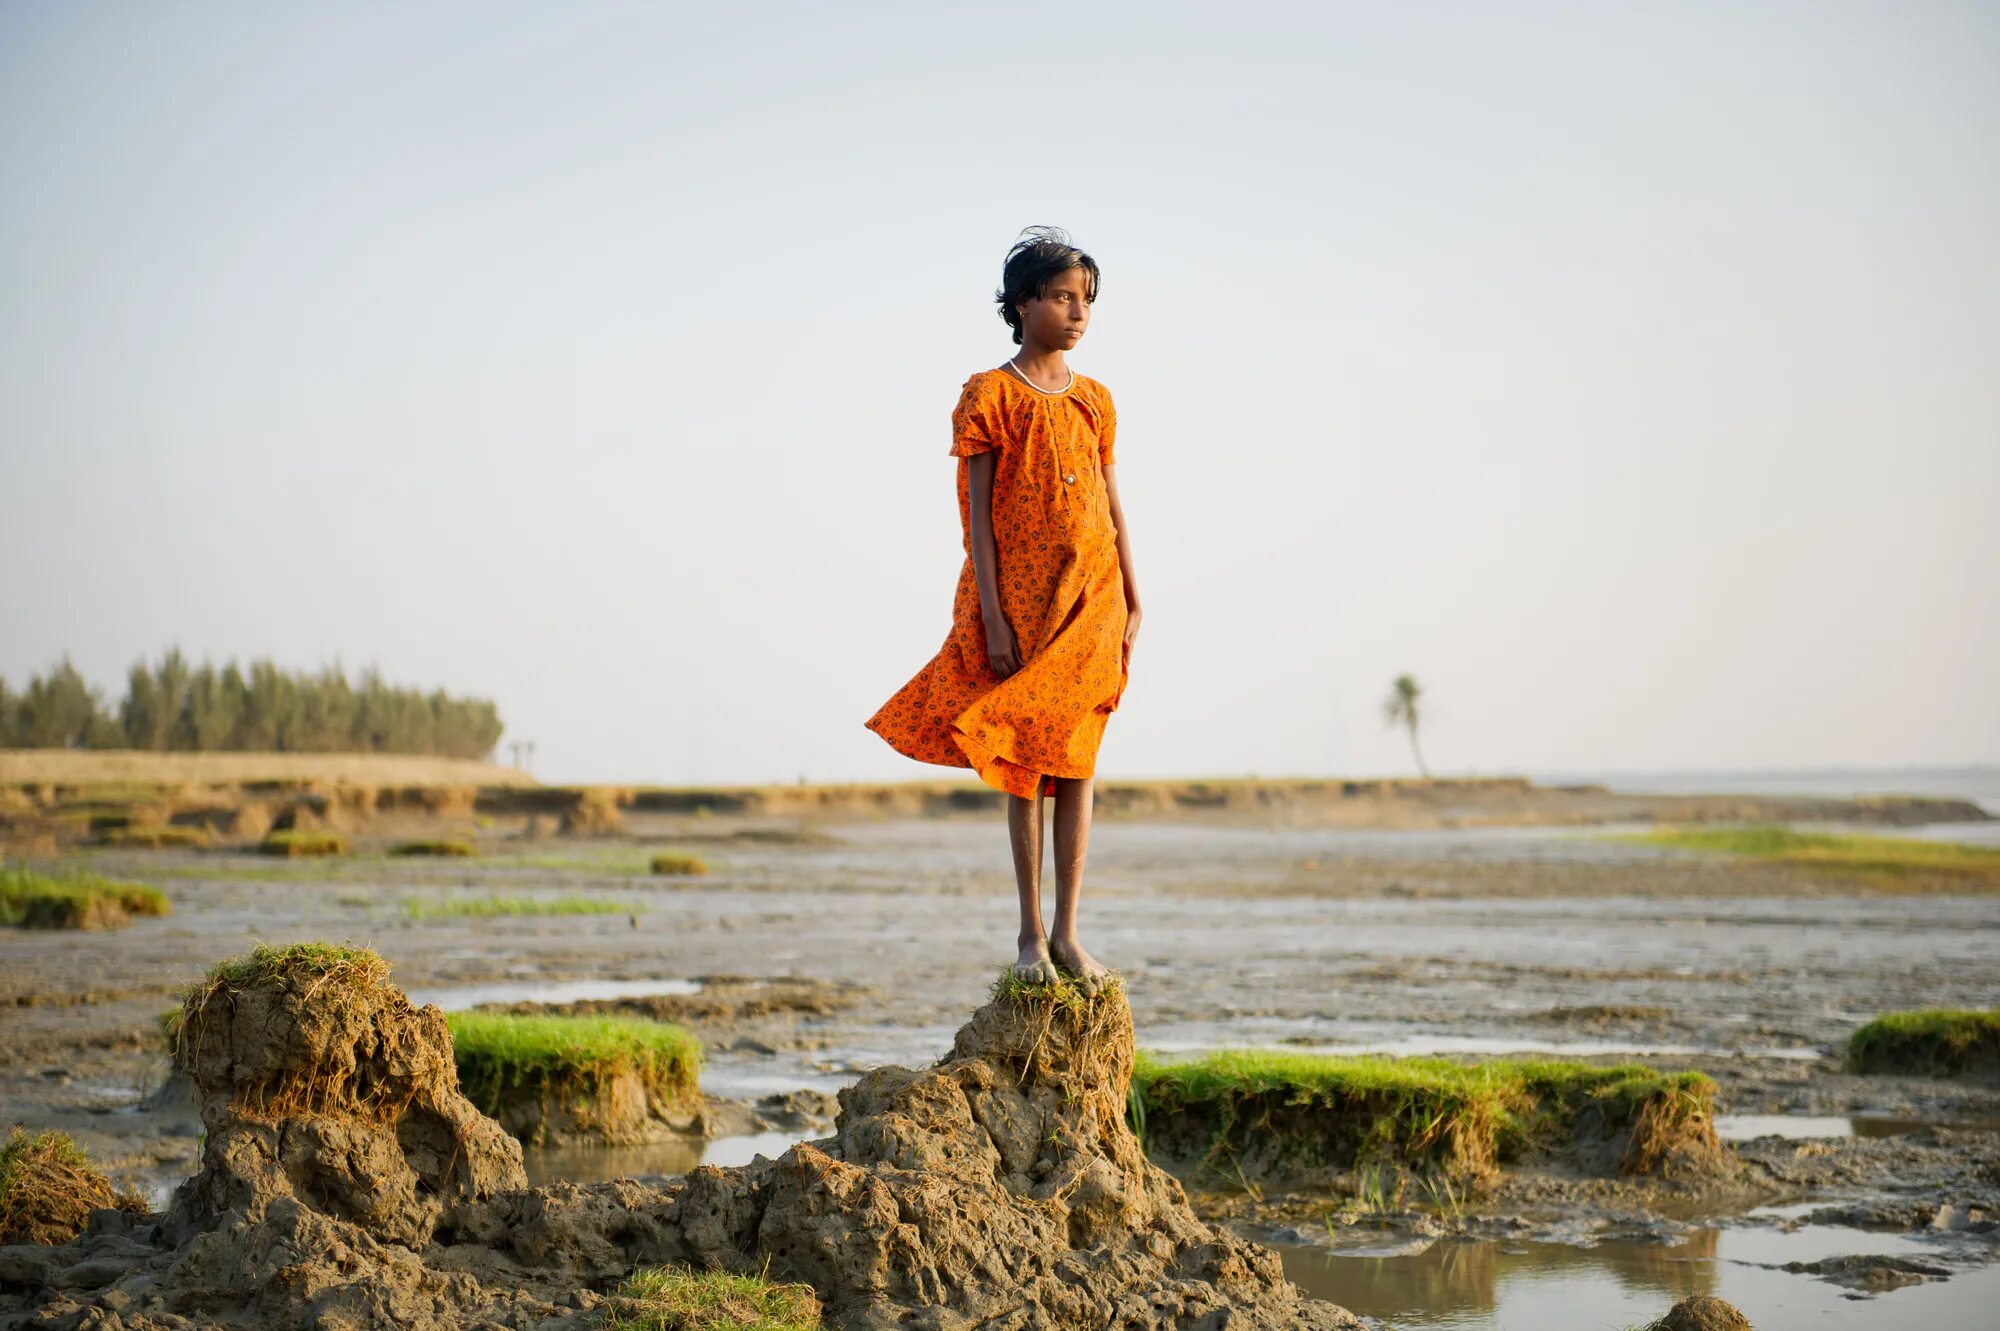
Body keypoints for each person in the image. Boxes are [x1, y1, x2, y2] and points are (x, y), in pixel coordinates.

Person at [865, 225, 1142, 996]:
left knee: (1078, 759)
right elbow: (977, 516)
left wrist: (1134, 592)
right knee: (1022, 759)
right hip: (1019, 599)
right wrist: (990, 615)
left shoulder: (1097, 400)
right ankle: (1029, 933)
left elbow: (1111, 499)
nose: (1077, 312)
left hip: (1094, 597)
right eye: (1060, 296)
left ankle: (1070, 931)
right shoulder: (988, 395)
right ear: (1021, 304)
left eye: (1086, 298)